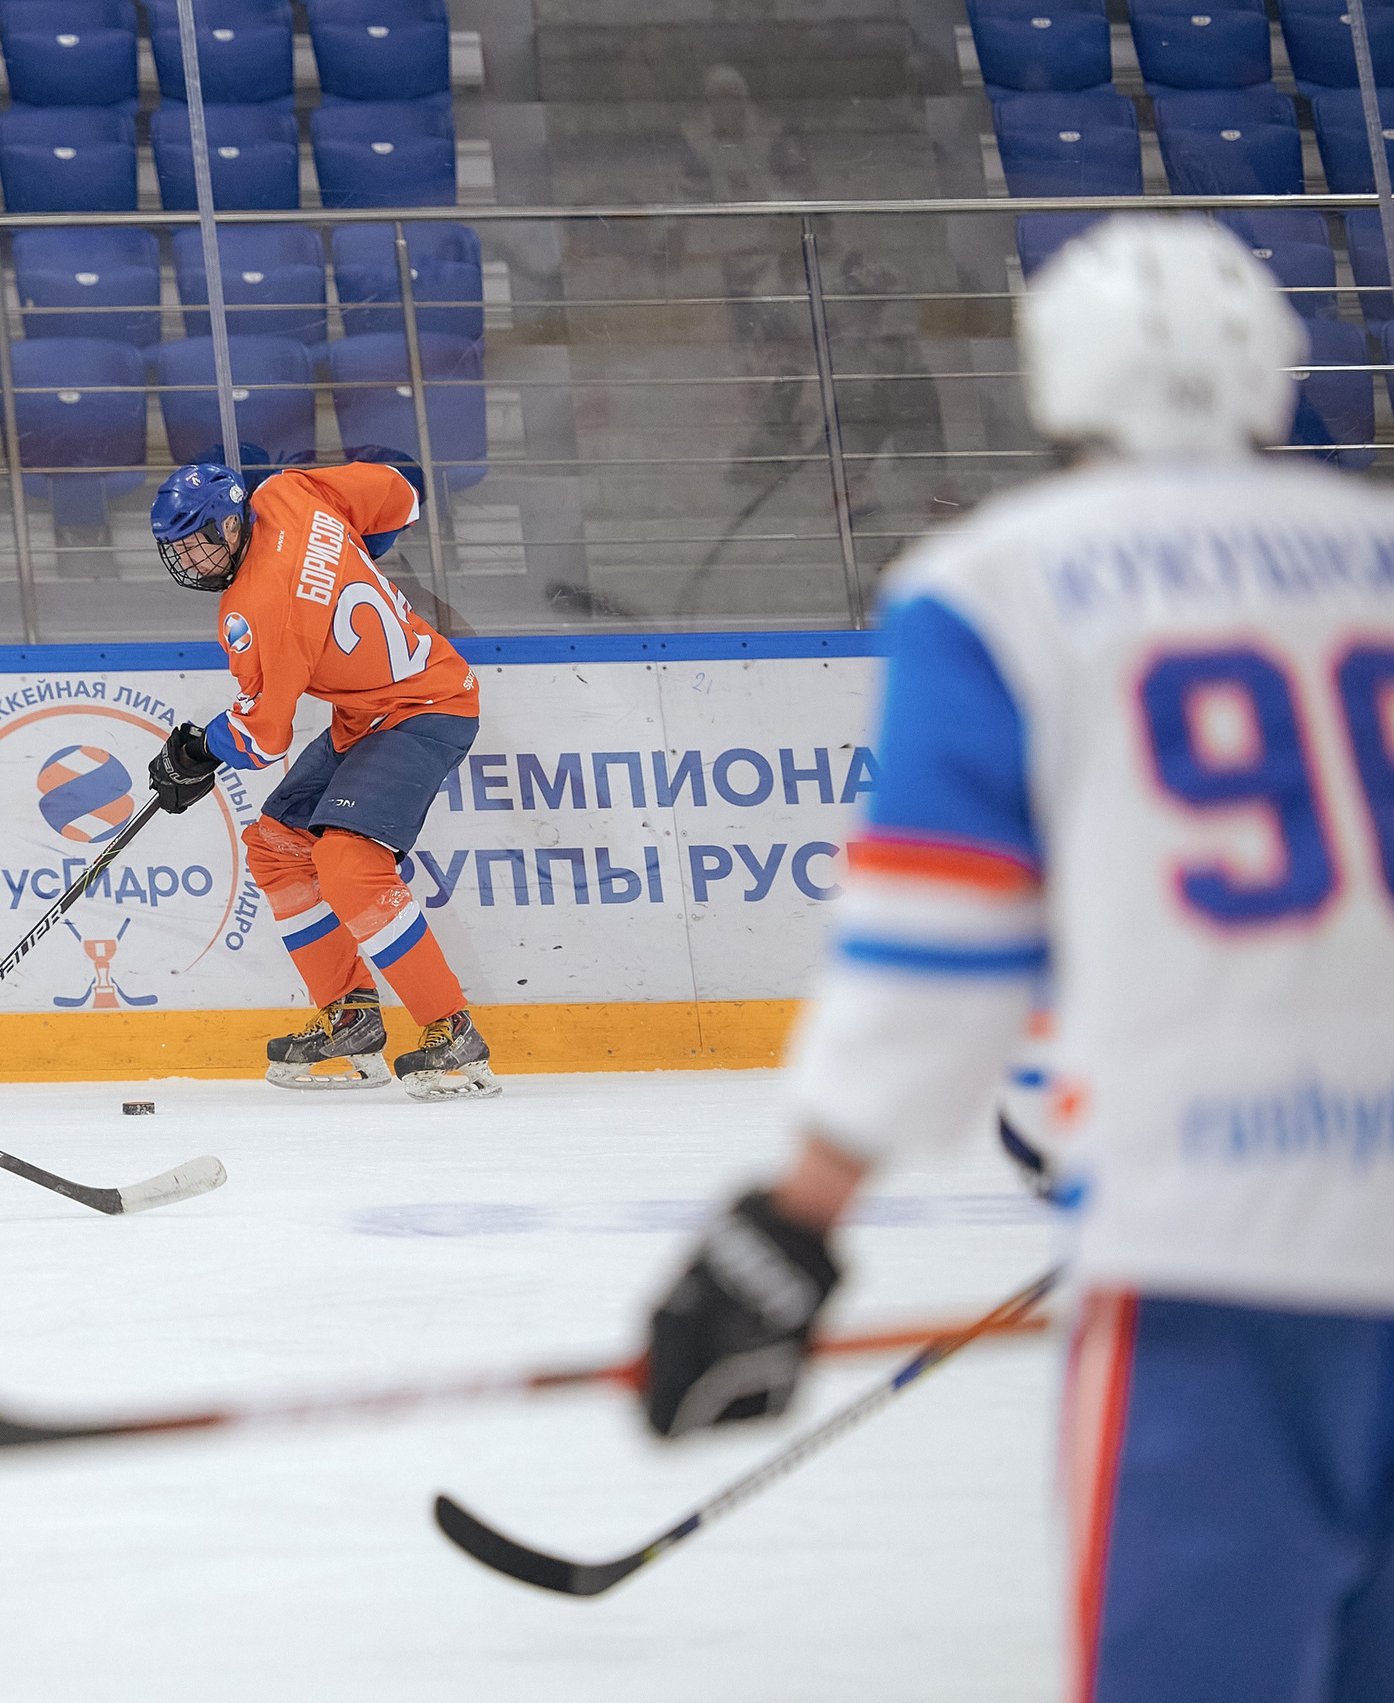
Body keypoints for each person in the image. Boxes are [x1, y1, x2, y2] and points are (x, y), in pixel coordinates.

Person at [638, 217, 1394, 1700]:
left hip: (1210, 1266)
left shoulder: (997, 583)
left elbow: (941, 951)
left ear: (1056, 377)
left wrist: (796, 1223)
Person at [144, 455, 497, 1101]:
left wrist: (196, 749)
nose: (189, 560)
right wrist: (348, 560)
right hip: (369, 714)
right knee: (276, 848)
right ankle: (352, 1017)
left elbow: (261, 736)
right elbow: (399, 493)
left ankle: (453, 1030)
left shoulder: (254, 604)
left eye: (198, 542)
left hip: (426, 708)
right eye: (178, 547)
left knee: (347, 861)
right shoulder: (291, 489)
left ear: (229, 527)